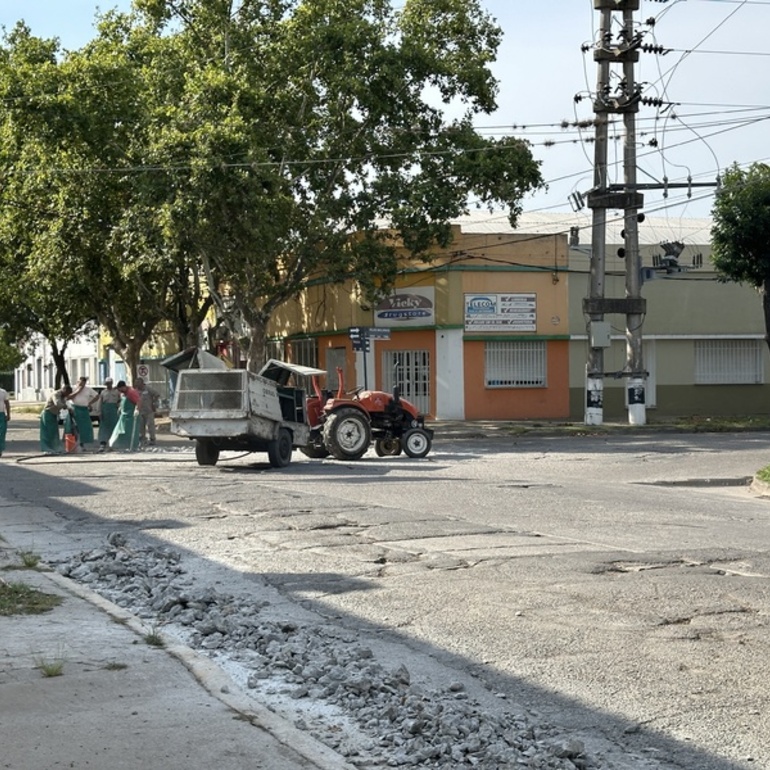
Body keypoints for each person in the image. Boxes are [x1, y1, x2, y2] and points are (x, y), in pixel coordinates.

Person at [89, 378, 120, 452]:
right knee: (104, 427)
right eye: (107, 383)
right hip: (105, 411)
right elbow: (100, 402)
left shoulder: (116, 392)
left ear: (112, 383)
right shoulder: (103, 392)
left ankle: (113, 443)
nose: (108, 384)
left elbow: (119, 401)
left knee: (114, 426)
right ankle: (103, 442)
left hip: (114, 410)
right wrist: (99, 412)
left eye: (109, 383)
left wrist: (119, 410)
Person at [109, 380, 141, 451]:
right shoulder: (123, 393)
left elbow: (138, 401)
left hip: (131, 417)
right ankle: (118, 445)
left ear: (124, 387)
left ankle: (132, 446)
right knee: (120, 431)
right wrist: (120, 408)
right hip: (124, 416)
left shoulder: (131, 392)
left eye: (120, 389)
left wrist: (137, 410)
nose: (120, 391)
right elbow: (123, 401)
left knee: (130, 432)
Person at [40, 385, 73, 454]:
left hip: (54, 414)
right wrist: (65, 407)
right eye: (67, 393)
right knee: (48, 432)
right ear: (64, 390)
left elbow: (63, 403)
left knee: (54, 432)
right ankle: (47, 449)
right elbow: (57, 403)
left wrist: (69, 409)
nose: (68, 395)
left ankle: (55, 448)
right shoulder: (56, 394)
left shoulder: (63, 396)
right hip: (48, 413)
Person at [69, 377, 97, 450]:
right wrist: (78, 391)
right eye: (80, 383)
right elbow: (68, 397)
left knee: (85, 428)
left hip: (84, 409)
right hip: (75, 408)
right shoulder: (73, 388)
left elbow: (97, 396)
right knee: (75, 427)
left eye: (83, 383)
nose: (82, 385)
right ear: (77, 382)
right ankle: (73, 443)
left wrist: (89, 403)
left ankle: (82, 443)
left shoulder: (88, 389)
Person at [134, 377, 160, 446]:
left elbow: (157, 394)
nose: (137, 384)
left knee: (150, 426)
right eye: (136, 382)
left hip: (149, 411)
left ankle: (152, 439)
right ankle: (142, 440)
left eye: (138, 382)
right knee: (140, 427)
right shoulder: (135, 391)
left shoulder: (148, 389)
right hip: (140, 411)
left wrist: (154, 404)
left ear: (142, 383)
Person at [0, 385, 10, 457]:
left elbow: (7, 403)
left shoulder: (3, 392)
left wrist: (8, 414)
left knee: (2, 432)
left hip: (1, 414)